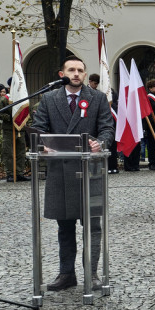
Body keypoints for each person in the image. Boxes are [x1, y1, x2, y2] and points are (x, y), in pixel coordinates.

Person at [30, 55, 115, 291]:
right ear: (62, 74)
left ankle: (93, 272)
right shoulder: (49, 98)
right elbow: (39, 128)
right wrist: (42, 145)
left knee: (93, 226)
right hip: (60, 171)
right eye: (71, 70)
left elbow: (107, 128)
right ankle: (67, 274)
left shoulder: (97, 98)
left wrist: (100, 142)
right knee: (64, 226)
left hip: (90, 170)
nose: (76, 74)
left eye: (80, 70)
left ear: (85, 74)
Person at [0, 79, 30, 182]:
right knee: (9, 152)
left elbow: (26, 112)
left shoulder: (22, 99)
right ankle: (10, 173)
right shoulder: (5, 99)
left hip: (20, 129)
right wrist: (11, 118)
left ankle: (19, 172)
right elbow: (0, 113)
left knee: (21, 152)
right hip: (9, 129)